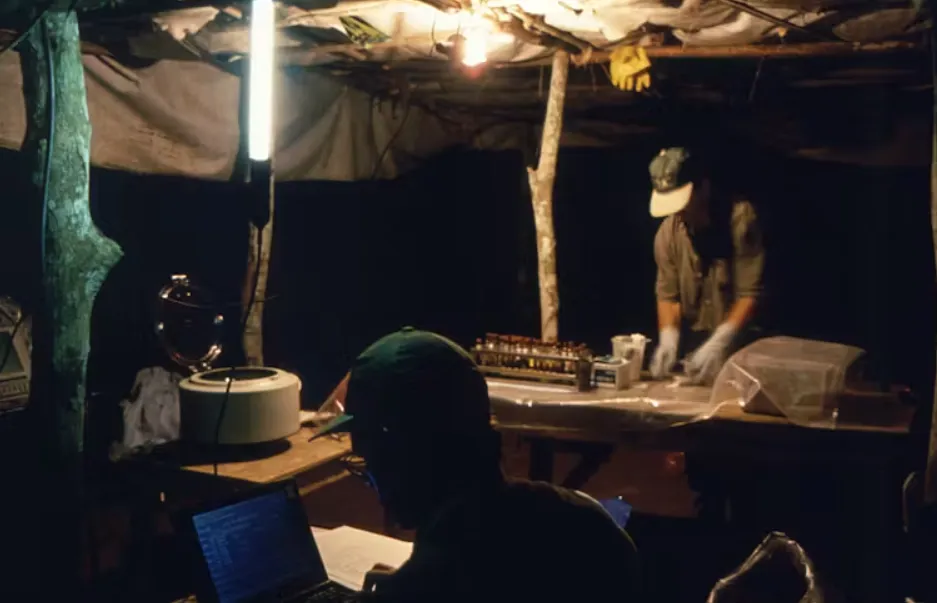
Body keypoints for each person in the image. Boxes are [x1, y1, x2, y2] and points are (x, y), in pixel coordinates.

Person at [314, 328, 641, 602]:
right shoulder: (586, 520)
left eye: (370, 463)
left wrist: (412, 589)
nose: (374, 485)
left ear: (408, 454)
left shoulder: (439, 581)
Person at [646, 147, 764, 385]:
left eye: (683, 201)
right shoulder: (668, 233)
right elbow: (668, 295)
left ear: (704, 188)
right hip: (696, 347)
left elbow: (749, 294)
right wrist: (668, 339)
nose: (679, 212)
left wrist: (720, 342)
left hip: (745, 345)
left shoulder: (740, 220)